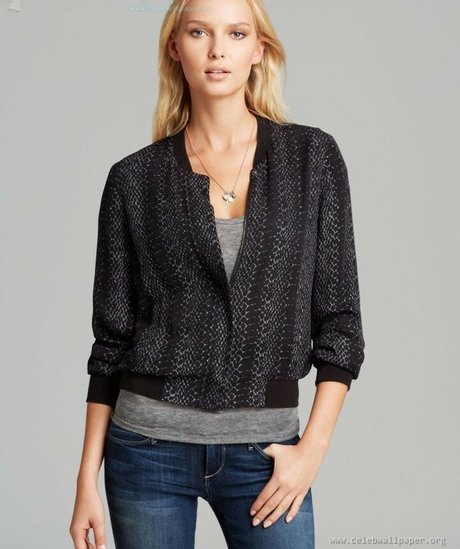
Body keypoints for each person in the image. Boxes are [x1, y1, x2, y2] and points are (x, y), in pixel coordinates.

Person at [69, 0, 365, 547]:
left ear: (259, 50)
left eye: (236, 33)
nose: (217, 50)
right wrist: (86, 479)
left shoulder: (312, 159)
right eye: (199, 32)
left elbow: (341, 324)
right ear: (175, 48)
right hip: (147, 450)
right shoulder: (134, 179)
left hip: (265, 453)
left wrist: (312, 449)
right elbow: (110, 342)